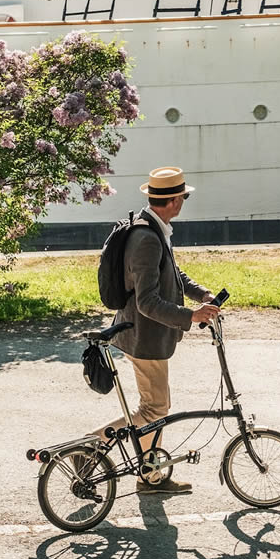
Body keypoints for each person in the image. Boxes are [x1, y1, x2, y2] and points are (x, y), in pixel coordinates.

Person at [97, 166, 220, 493]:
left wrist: (201, 293)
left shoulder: (154, 229)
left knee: (156, 408)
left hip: (145, 336)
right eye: (184, 196)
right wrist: (191, 316)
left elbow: (172, 274)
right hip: (144, 338)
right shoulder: (146, 239)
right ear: (174, 200)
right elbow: (147, 302)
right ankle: (93, 449)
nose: (184, 202)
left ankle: (150, 476)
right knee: (153, 409)